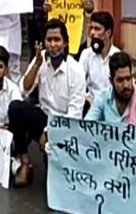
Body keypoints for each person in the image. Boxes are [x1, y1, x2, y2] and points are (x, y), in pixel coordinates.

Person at [8, 19, 86, 187]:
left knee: (53, 169)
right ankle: (24, 161)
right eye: (49, 40)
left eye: (57, 40)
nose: (53, 45)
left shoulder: (76, 70)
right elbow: (24, 89)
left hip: (65, 125)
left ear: (65, 42)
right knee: (15, 107)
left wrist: (49, 133)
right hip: (44, 117)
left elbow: (74, 115)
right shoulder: (41, 59)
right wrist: (36, 64)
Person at [84, 51, 136, 195]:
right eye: (120, 80)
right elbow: (86, 129)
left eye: (129, 79)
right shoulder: (103, 98)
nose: (126, 85)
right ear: (111, 81)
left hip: (133, 165)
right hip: (107, 163)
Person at [79, 11, 121, 103]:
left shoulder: (118, 55)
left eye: (97, 29)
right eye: (91, 28)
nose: (92, 33)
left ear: (108, 33)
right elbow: (78, 85)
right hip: (92, 105)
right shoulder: (86, 54)